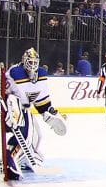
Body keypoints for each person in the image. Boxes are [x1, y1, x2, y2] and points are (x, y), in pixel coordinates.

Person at [4, 45, 67, 176]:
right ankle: (9, 161)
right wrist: (7, 110)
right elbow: (4, 92)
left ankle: (23, 159)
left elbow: (40, 101)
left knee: (37, 136)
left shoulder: (41, 75)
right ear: (24, 60)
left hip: (22, 109)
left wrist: (48, 111)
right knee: (26, 136)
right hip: (9, 107)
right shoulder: (15, 72)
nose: (32, 65)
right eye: (30, 62)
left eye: (35, 62)